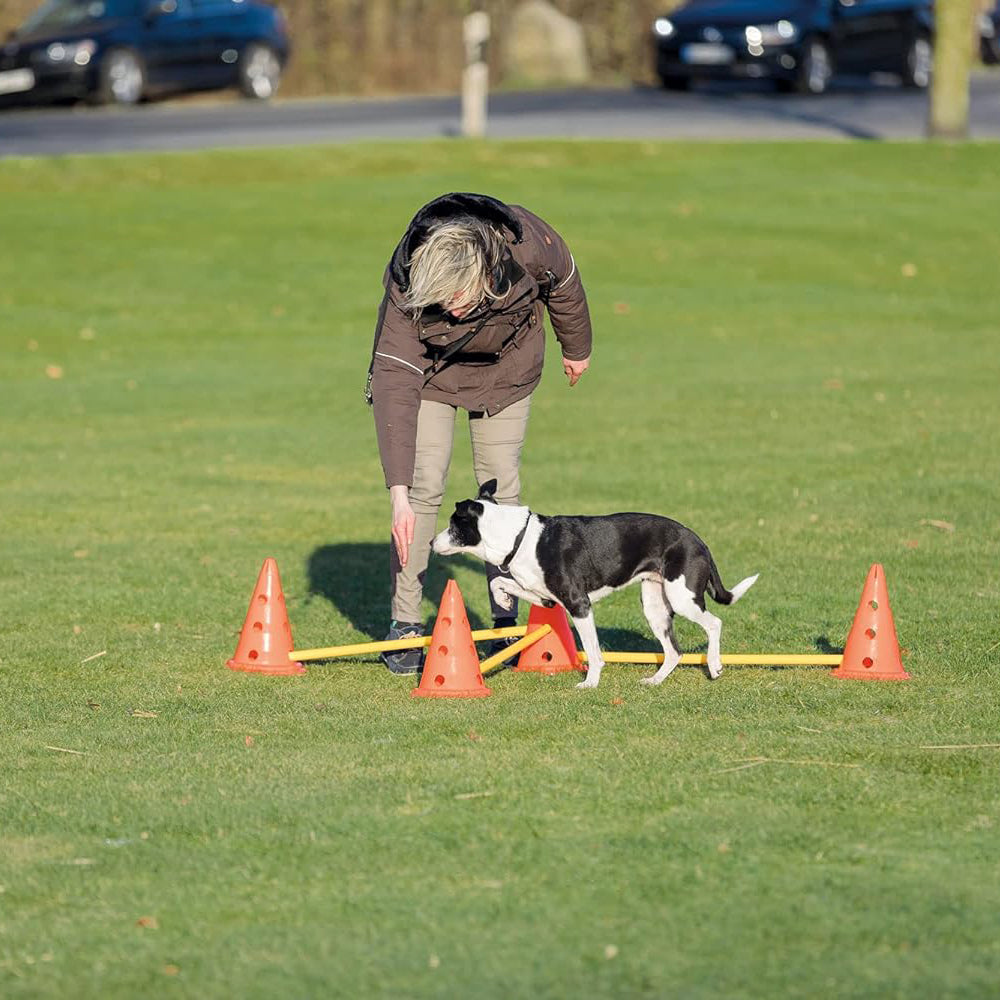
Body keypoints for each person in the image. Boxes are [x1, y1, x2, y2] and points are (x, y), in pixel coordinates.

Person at [366, 192, 592, 673]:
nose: (450, 309)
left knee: (500, 486)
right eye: (440, 301)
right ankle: (405, 623)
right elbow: (394, 381)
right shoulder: (407, 281)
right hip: (432, 376)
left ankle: (504, 621)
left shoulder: (528, 243)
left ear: (484, 275)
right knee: (423, 487)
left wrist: (577, 347)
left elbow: (565, 281)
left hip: (508, 370)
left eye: (458, 298)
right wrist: (397, 494)